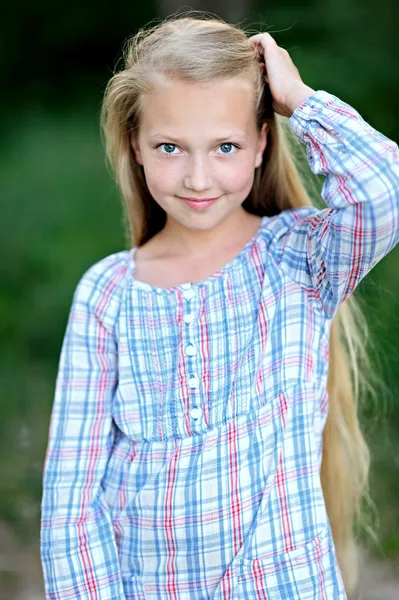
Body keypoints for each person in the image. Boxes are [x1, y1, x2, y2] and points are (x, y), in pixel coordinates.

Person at [40, 13, 399, 600]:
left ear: (262, 142)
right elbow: (70, 509)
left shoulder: (300, 259)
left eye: (225, 146)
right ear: (135, 143)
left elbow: (387, 188)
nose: (199, 177)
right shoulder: (107, 294)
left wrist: (300, 101)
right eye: (170, 147)